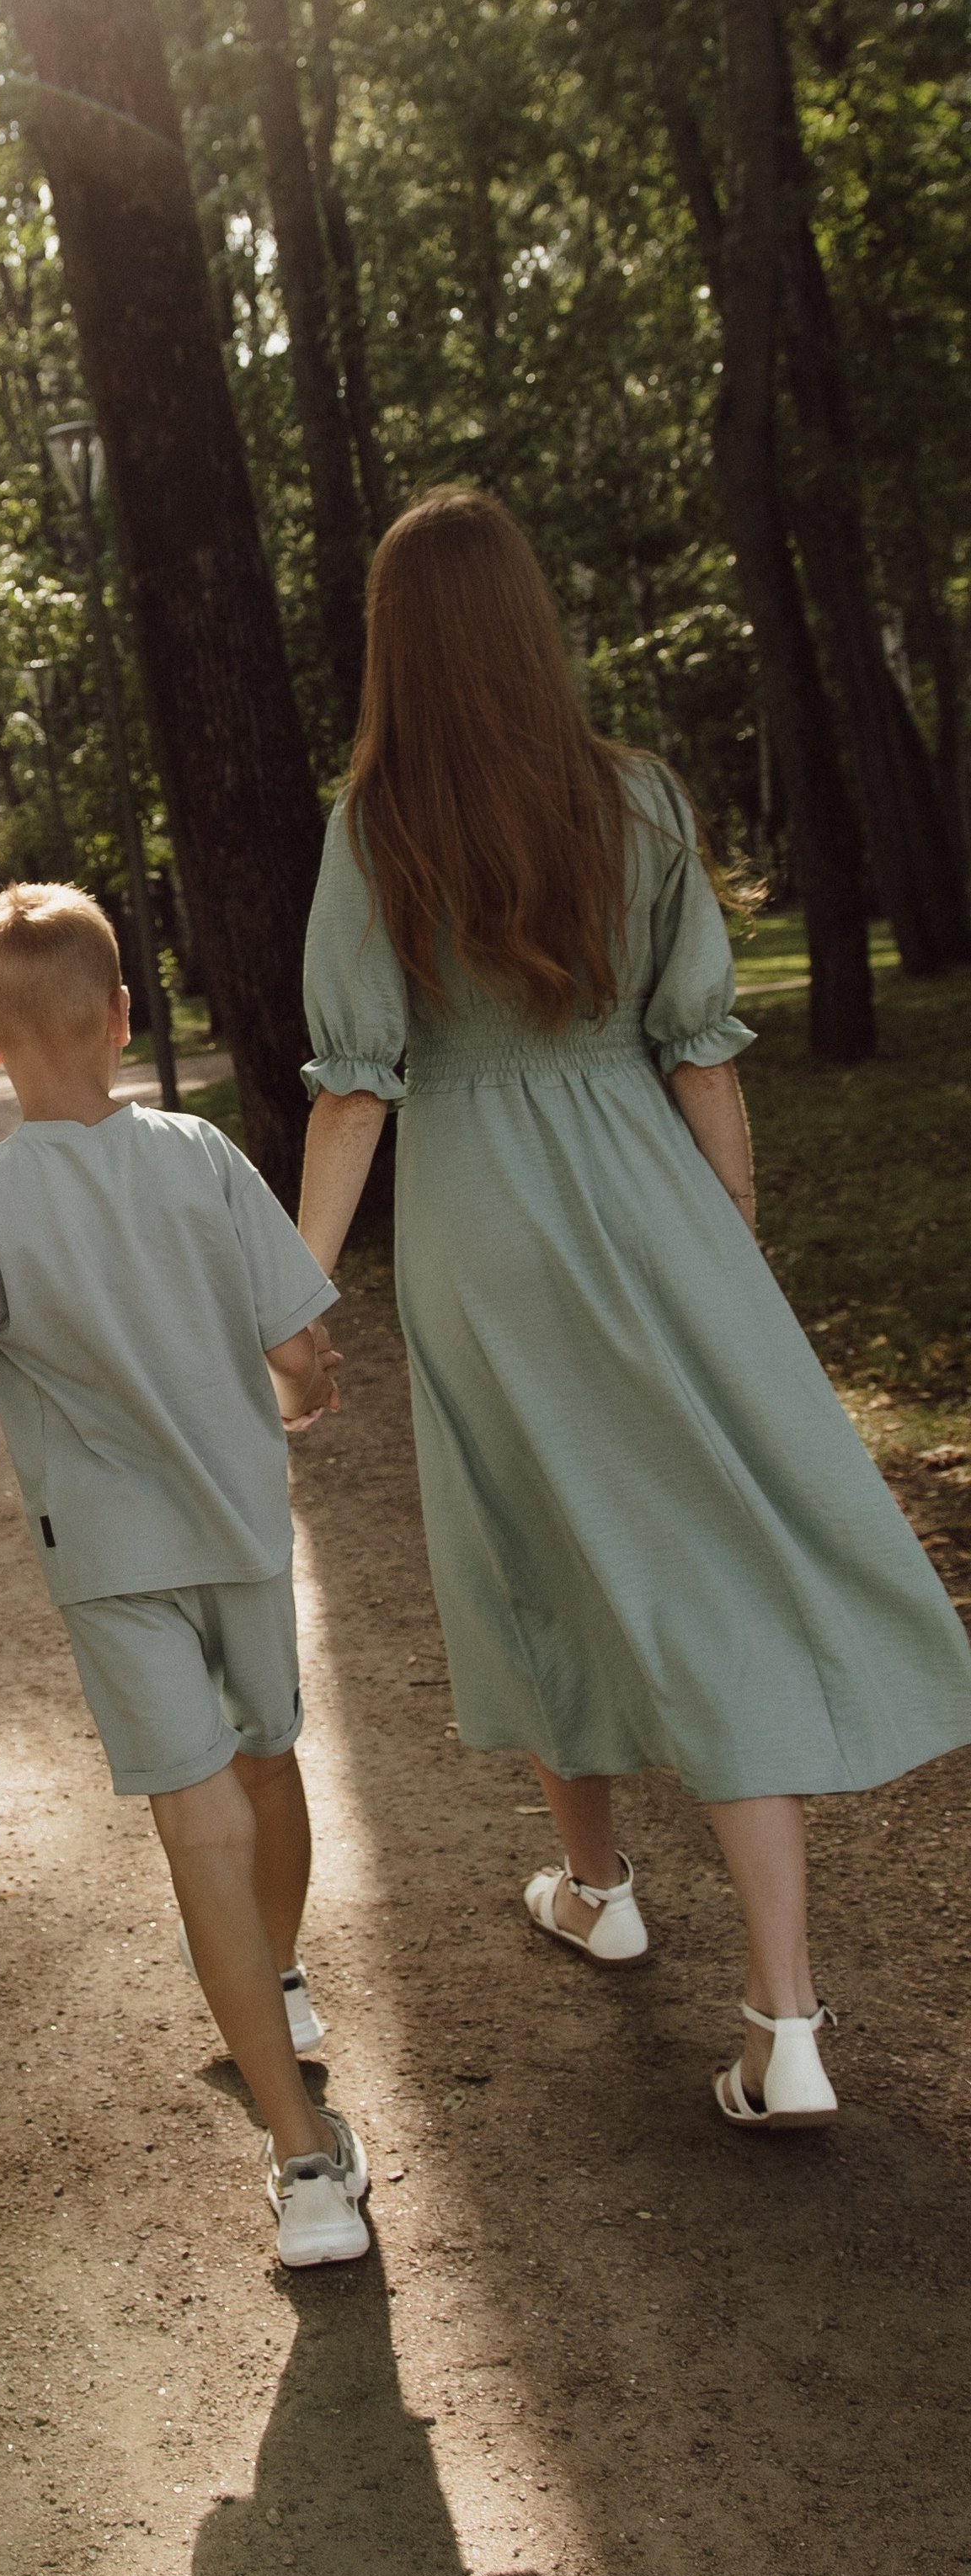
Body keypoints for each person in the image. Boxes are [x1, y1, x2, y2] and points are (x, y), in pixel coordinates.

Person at [296, 487, 971, 2131]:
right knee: (710, 1567)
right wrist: (723, 1252)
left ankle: (595, 1883)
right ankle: (783, 2015)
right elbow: (699, 1056)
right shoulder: (643, 806)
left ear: (396, 645)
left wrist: (289, 1294)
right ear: (533, 626)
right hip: (648, 1202)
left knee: (533, 1549)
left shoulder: (376, 823)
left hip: (481, 1235)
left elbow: (353, 1092)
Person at [0, 881, 372, 2267]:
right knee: (270, 1759)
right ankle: (280, 1984)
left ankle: (303, 2167)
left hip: (110, 1569)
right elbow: (301, 1350)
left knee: (196, 1832)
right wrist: (297, 1395)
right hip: (238, 1530)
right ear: (122, 1017)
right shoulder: (204, 1156)